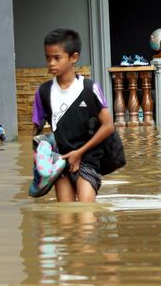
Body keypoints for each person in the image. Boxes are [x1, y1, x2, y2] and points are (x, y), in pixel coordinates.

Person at [32, 29, 114, 202]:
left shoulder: (90, 88)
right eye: (48, 58)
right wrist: (41, 161)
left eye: (57, 57)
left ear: (74, 58)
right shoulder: (43, 92)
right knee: (65, 217)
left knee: (86, 212)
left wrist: (79, 153)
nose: (51, 63)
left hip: (89, 158)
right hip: (60, 161)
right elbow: (36, 132)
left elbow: (108, 126)